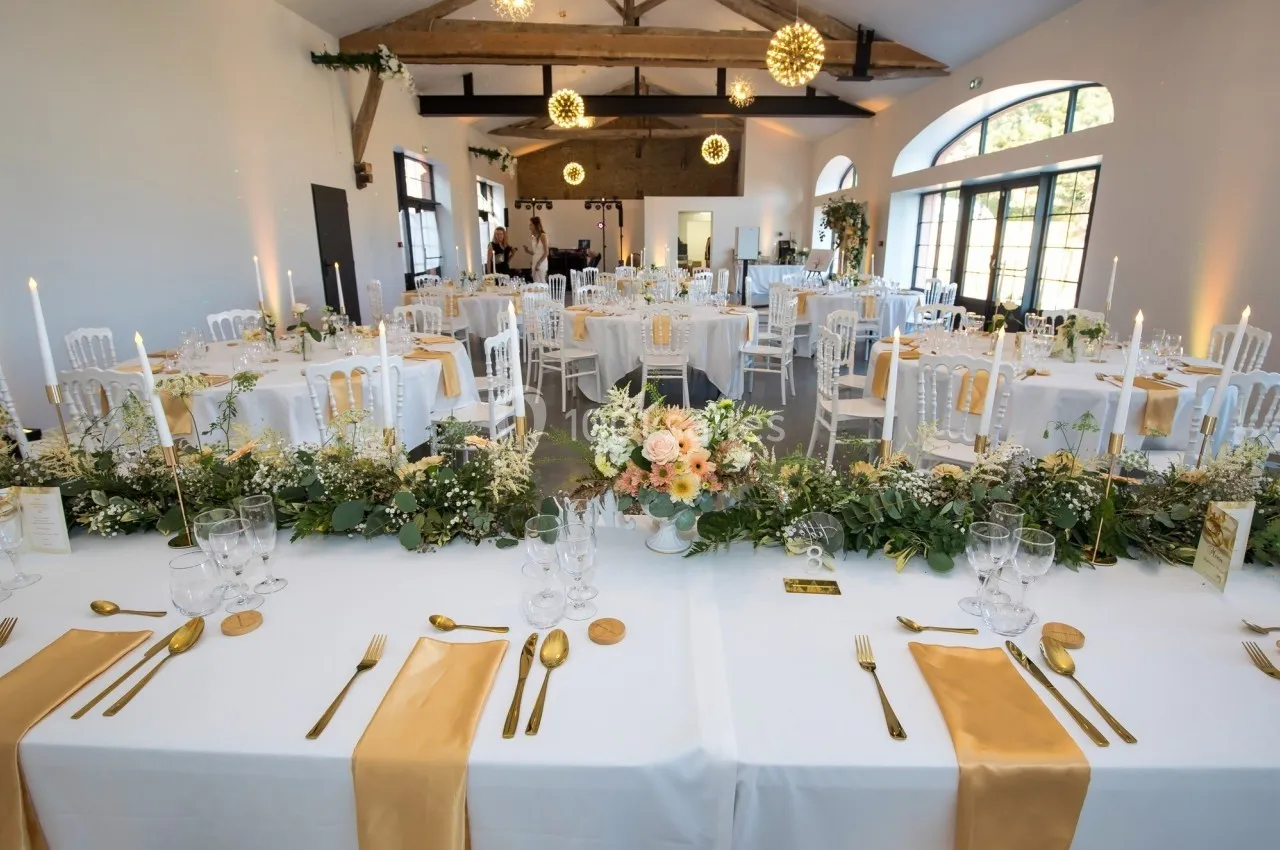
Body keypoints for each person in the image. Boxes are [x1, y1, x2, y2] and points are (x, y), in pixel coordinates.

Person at [524, 217, 549, 283]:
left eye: (531, 224)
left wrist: (538, 263)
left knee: (542, 282)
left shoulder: (543, 236)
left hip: (541, 262)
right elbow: (535, 252)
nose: (529, 226)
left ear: (536, 225)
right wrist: (527, 251)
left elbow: (546, 252)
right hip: (535, 261)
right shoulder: (533, 237)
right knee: (536, 282)